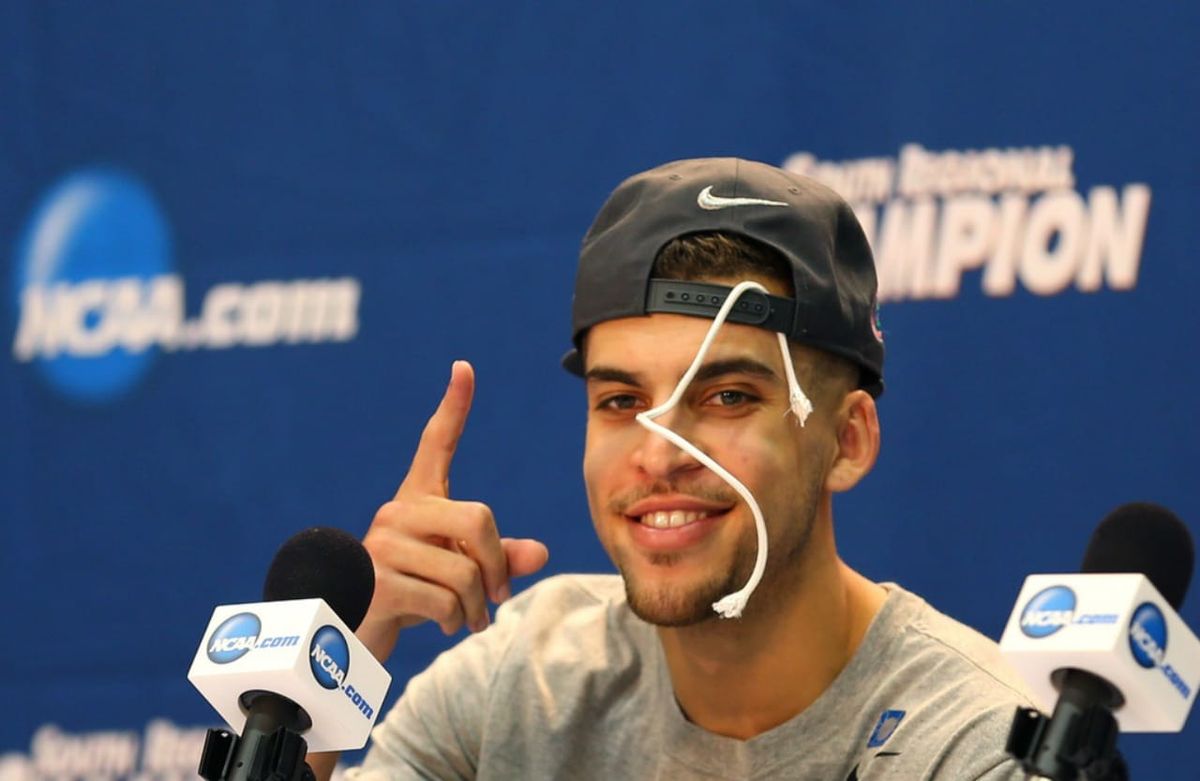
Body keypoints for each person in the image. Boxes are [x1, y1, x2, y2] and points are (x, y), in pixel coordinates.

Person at [314, 158, 1033, 780]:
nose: (658, 453)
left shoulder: (974, 743)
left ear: (847, 441)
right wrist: (339, 653)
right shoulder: (526, 681)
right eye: (623, 400)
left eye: (726, 397)